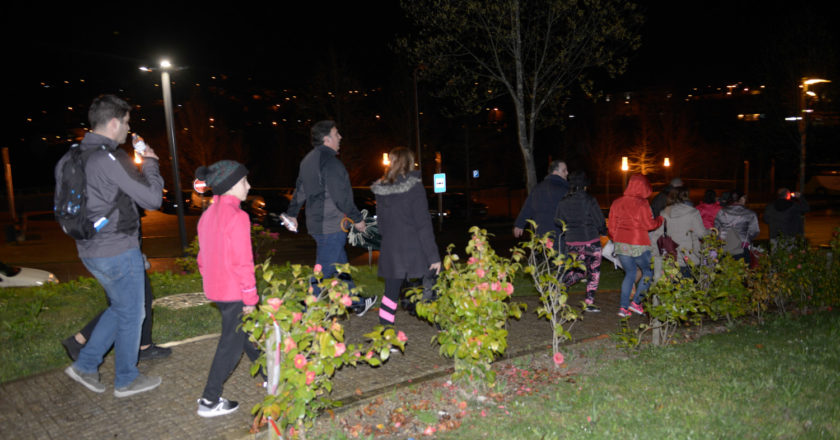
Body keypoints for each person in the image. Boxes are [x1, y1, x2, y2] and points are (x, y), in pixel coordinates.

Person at [59, 94, 163, 397]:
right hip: (117, 250)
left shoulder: (70, 157)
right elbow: (152, 199)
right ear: (115, 122)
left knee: (122, 307)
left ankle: (86, 365)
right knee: (133, 313)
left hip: (88, 249)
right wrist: (152, 164)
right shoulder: (109, 159)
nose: (127, 129)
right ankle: (127, 379)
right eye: (127, 122)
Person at [283, 120, 377, 316]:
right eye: (336, 134)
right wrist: (357, 218)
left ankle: (356, 302)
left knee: (339, 264)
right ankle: (304, 311)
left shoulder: (308, 161)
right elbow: (341, 196)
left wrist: (292, 213)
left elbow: (300, 190)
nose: (340, 137)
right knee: (324, 269)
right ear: (327, 139)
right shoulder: (331, 163)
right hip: (332, 224)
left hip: (316, 224)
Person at [193, 160, 261, 417]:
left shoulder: (207, 215)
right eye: (244, 181)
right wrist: (250, 297)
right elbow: (244, 262)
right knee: (230, 346)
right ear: (232, 185)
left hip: (216, 290)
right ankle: (209, 400)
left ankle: (266, 373)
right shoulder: (238, 216)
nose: (248, 185)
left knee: (242, 332)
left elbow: (202, 258)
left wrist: (211, 279)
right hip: (235, 291)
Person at [370, 147, 441, 327]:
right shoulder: (414, 187)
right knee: (431, 286)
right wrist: (433, 256)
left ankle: (386, 335)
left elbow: (382, 226)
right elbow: (423, 224)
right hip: (414, 248)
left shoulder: (381, 189)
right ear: (409, 163)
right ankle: (443, 326)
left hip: (391, 249)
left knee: (390, 293)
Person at [608, 174, 663, 317]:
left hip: (621, 244)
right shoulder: (642, 203)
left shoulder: (616, 202)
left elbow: (611, 227)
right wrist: (660, 220)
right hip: (638, 243)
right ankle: (636, 303)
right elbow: (649, 225)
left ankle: (623, 308)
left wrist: (617, 239)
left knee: (630, 274)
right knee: (648, 272)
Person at [554, 171, 606, 312]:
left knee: (579, 270)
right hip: (591, 241)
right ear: (585, 186)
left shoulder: (564, 201)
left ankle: (560, 286)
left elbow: (558, 221)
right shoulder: (590, 200)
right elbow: (600, 221)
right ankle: (588, 302)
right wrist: (603, 231)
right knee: (593, 271)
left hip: (572, 243)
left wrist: (570, 227)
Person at [650, 187, 708, 277]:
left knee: (673, 286)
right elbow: (701, 234)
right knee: (689, 286)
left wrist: (655, 255)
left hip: (671, 256)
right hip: (689, 256)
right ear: (686, 196)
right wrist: (711, 233)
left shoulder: (664, 212)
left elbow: (656, 236)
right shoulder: (693, 212)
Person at [513, 160, 569, 250]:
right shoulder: (564, 189)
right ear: (555, 172)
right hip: (559, 235)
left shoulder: (537, 188)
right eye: (564, 170)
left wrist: (519, 225)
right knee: (562, 261)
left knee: (547, 261)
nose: (567, 173)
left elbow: (527, 208)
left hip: (542, 235)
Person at [714, 190, 759, 264]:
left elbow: (717, 229)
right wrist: (747, 237)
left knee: (725, 271)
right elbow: (754, 232)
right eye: (745, 198)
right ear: (741, 198)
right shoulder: (750, 213)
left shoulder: (721, 212)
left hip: (725, 245)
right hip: (742, 246)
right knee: (742, 272)